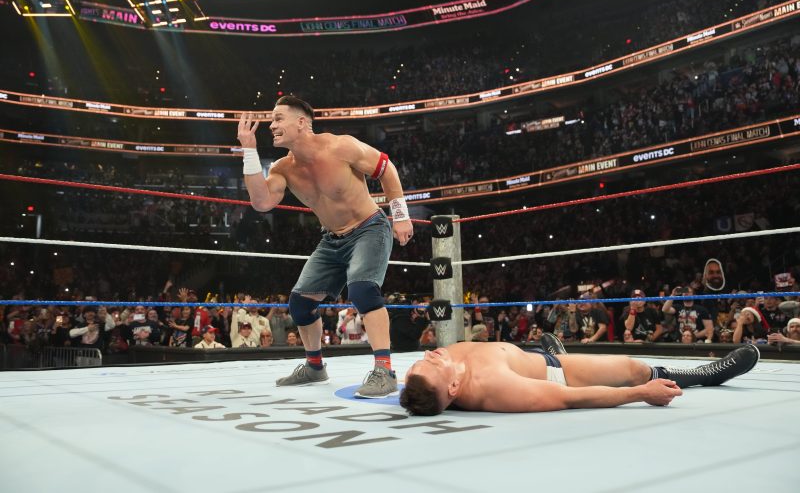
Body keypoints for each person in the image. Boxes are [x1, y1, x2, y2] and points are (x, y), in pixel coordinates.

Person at [237, 96, 413, 398]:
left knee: (362, 291)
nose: (271, 125)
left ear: (301, 122)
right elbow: (261, 202)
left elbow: (387, 169)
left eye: (278, 118)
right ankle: (315, 367)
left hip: (369, 228)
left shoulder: (341, 146)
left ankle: (385, 371)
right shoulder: (283, 168)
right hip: (332, 239)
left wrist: (401, 215)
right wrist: (249, 151)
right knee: (300, 304)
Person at [400, 334, 760, 415]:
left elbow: (421, 387)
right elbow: (568, 398)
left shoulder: (438, 373)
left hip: (530, 358)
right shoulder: (494, 387)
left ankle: (556, 351)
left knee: (545, 353)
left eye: (421, 360)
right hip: (558, 374)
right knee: (633, 369)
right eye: (432, 364)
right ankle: (708, 373)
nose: (430, 354)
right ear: (453, 386)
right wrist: (641, 392)